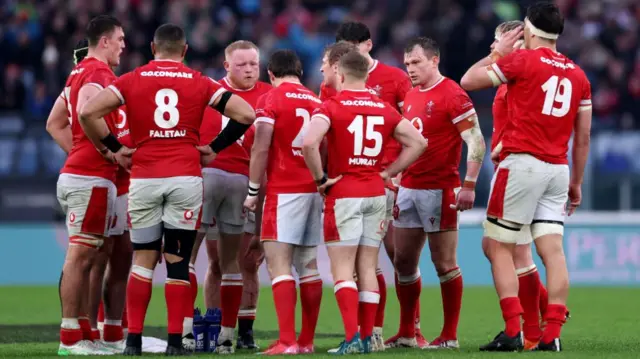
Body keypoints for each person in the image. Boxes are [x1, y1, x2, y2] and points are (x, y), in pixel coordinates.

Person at [78, 23, 256, 355]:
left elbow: (88, 112)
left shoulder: (131, 79)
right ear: (185, 50)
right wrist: (215, 147)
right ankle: (176, 341)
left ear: (152, 47)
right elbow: (246, 113)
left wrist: (113, 148)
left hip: (144, 177)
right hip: (185, 178)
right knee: (177, 261)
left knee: (142, 260)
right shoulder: (200, 82)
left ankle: (132, 341)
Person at [460, 2, 592, 352]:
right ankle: (549, 334)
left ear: (529, 30)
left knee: (498, 246)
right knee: (552, 252)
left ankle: (513, 328)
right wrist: (576, 183)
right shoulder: (578, 74)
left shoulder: (523, 62)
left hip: (522, 165)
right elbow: (583, 137)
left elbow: (468, 81)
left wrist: (497, 55)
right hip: (557, 169)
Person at [302, 50, 426, 354]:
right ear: (367, 76)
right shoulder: (383, 107)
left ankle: (351, 339)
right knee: (369, 267)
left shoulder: (332, 106)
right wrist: (390, 171)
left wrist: (320, 179)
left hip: (344, 192)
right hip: (375, 191)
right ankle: (368, 338)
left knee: (343, 270)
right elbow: (420, 142)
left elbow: (308, 142)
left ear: (341, 76)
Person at [391, 37, 486, 349]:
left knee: (444, 263)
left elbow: (476, 140)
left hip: (440, 188)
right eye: (407, 64)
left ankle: (449, 335)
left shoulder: (454, 95)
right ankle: (407, 333)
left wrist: (469, 183)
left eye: (416, 63)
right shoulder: (411, 95)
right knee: (403, 261)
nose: (410, 69)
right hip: (409, 188)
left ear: (434, 60)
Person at [334, 21, 414, 350]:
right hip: (355, 181)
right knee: (366, 262)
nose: (349, 55)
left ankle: (410, 328)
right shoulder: (336, 81)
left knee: (397, 256)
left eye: (354, 47)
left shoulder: (395, 78)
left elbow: (413, 129)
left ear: (368, 44)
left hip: (389, 181)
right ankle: (373, 331)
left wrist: (397, 172)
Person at [242, 49, 323, 355]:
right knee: (308, 265)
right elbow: (322, 147)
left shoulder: (271, 99)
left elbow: (261, 148)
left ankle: (287, 341)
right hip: (312, 189)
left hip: (283, 190)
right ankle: (306, 342)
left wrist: (252, 192)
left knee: (279, 265)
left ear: (271, 74)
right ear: (299, 72)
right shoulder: (316, 101)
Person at [53, 15, 125, 356]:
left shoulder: (76, 73)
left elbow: (55, 123)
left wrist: (80, 150)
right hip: (90, 177)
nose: (124, 45)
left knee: (89, 255)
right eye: (120, 39)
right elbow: (85, 112)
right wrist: (109, 149)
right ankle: (70, 339)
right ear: (105, 41)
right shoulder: (98, 74)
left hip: (82, 172)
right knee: (81, 256)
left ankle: (83, 332)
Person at [194, 40, 272, 350]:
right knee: (216, 263)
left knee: (248, 262)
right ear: (227, 66)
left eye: (254, 63)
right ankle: (214, 329)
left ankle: (246, 332)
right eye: (242, 65)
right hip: (212, 185)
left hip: (251, 189)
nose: (250, 69)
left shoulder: (269, 95)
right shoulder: (208, 94)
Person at [489, 20, 552, 351]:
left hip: (518, 170)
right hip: (512, 169)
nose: (492, 49)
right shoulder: (512, 78)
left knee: (507, 248)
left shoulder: (525, 78)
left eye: (498, 42)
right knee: (510, 249)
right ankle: (541, 315)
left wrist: (504, 147)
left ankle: (529, 326)